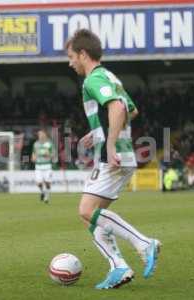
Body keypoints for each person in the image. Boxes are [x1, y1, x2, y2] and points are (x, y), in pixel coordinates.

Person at [66, 29, 160, 289]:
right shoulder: (110, 76)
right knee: (95, 215)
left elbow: (118, 108)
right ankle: (118, 266)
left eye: (71, 56)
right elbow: (132, 109)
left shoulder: (93, 79)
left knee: (86, 210)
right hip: (123, 152)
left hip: (113, 155)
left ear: (83, 54)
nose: (70, 62)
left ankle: (144, 243)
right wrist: (96, 131)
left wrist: (108, 143)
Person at [31, 129, 54, 203]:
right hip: (38, 167)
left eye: (41, 134)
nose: (40, 136)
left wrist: (48, 155)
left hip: (47, 166)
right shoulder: (36, 144)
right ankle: (42, 192)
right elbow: (34, 154)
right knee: (39, 183)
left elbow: (53, 155)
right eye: (39, 134)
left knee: (47, 183)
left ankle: (46, 197)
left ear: (45, 135)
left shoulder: (49, 144)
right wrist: (33, 158)